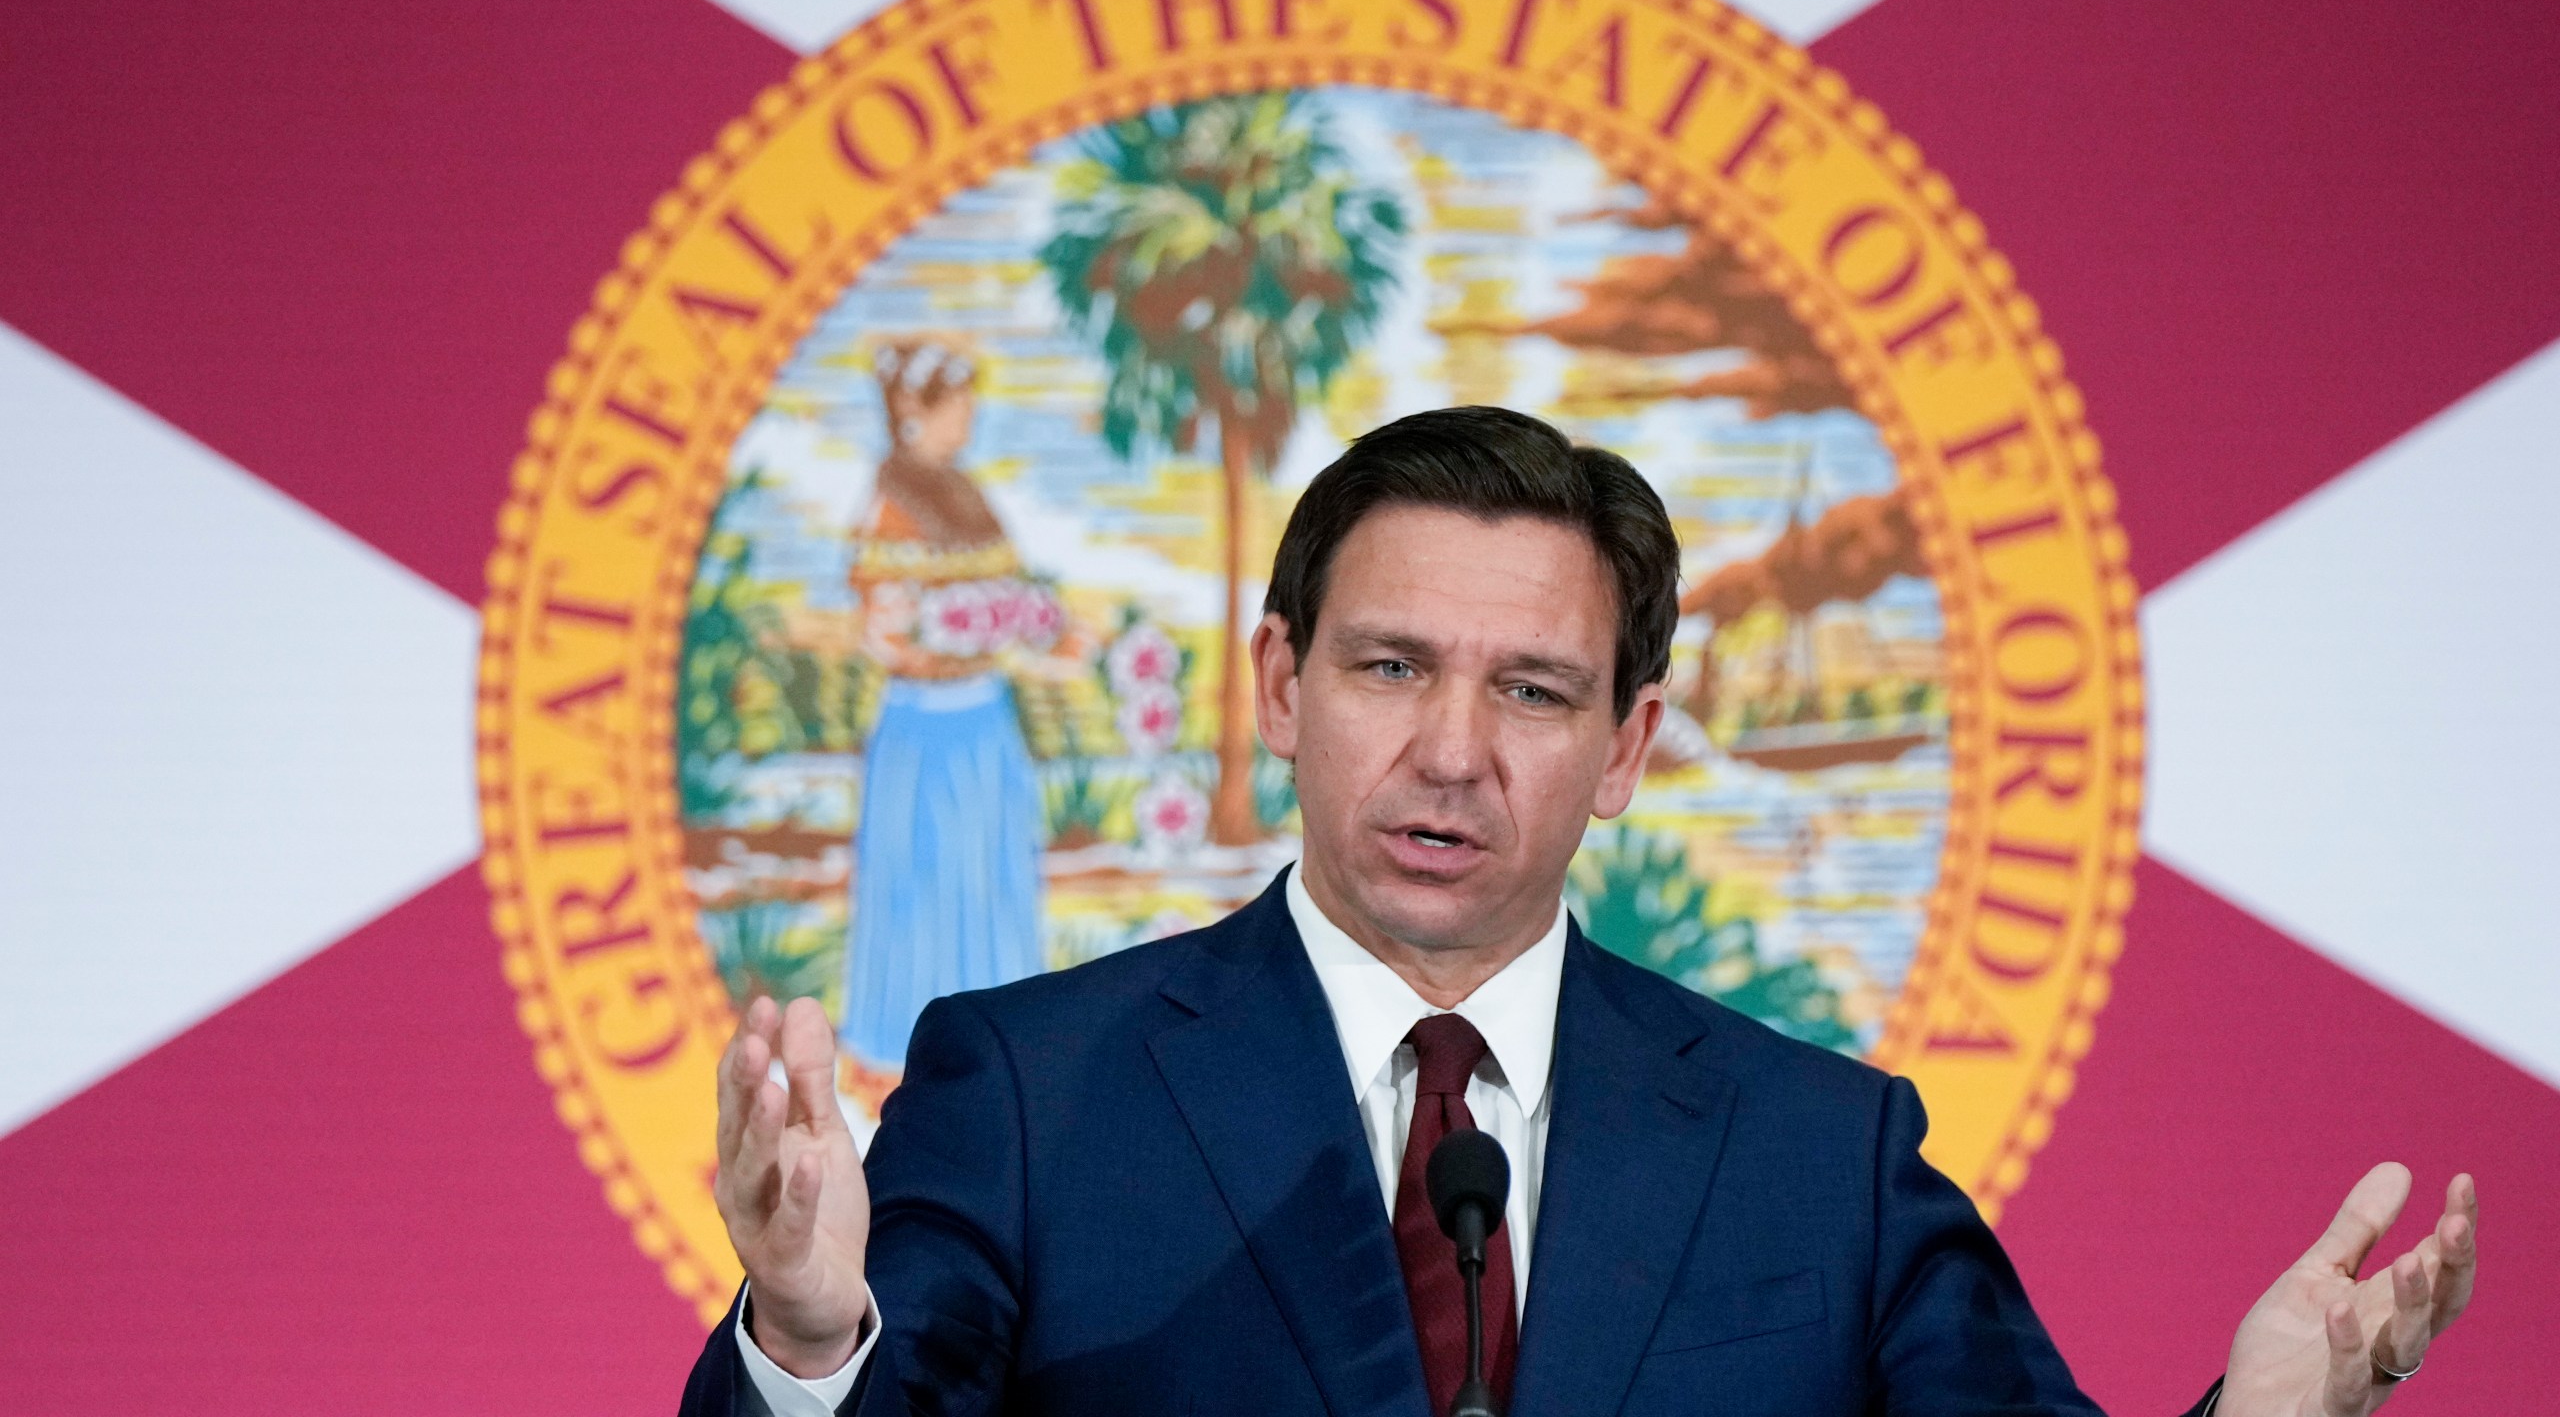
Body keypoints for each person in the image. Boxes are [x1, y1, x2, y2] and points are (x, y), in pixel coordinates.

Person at [688, 408, 2480, 1417]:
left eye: (1535, 695)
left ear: (1625, 749)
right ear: (1278, 687)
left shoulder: (1819, 1154)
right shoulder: (1029, 1088)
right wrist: (805, 1336)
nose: (1452, 753)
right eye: (1391, 667)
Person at [836, 338, 1058, 1075]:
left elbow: (1012, 595)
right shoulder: (890, 501)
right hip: (924, 729)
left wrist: (1030, 629)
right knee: (923, 888)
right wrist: (942, 639)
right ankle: (902, 1059)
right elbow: (883, 628)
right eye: (955, 404)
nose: (968, 418)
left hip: (985, 722)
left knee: (988, 882)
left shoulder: (967, 493)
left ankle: (1001, 1054)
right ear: (912, 412)